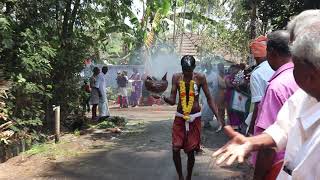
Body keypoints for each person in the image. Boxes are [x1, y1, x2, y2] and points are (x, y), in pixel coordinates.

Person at [212, 10, 320, 180]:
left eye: (295, 62)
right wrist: (251, 142)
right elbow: (284, 127)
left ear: (310, 73)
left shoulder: (278, 86)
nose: (290, 67)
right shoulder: (306, 96)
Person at [156, 55, 221, 180]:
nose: (187, 73)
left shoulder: (200, 78)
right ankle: (180, 176)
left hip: (195, 118)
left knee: (191, 152)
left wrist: (218, 117)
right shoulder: (176, 77)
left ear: (194, 68)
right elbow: (173, 100)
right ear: (182, 68)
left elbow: (209, 97)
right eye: (185, 70)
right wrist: (162, 97)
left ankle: (188, 177)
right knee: (175, 148)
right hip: (180, 117)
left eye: (189, 70)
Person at [251, 30, 299, 180]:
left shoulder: (277, 87)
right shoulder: (305, 78)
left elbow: (269, 145)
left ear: (271, 52)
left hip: (278, 167)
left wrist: (257, 177)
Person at [248, 36, 275, 135]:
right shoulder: (279, 67)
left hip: (264, 122)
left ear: (255, 56)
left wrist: (251, 130)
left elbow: (258, 105)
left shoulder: (257, 74)